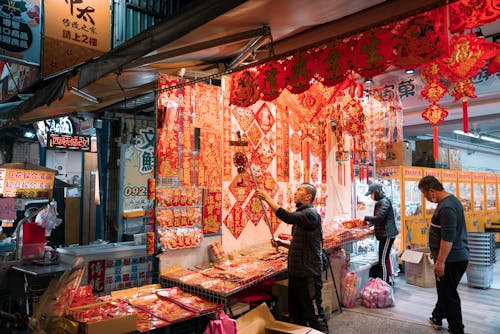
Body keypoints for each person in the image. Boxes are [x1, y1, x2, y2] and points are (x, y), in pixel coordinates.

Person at [255, 183, 329, 334]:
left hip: (308, 273)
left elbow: (287, 217)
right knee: (296, 313)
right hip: (296, 273)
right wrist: (283, 243)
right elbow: (301, 244)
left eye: (300, 190)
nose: (295, 192)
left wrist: (267, 198)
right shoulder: (302, 216)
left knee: (313, 313)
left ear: (308, 197)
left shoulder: (310, 214)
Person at [418, 175, 469, 334]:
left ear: (432, 190)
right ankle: (436, 317)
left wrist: (440, 261)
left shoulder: (446, 207)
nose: (426, 199)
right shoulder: (450, 202)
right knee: (446, 290)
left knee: (448, 295)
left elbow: (448, 238)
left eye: (425, 195)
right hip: (453, 257)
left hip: (451, 260)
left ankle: (456, 329)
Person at [363, 183, 399, 284]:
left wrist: (365, 218)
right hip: (385, 234)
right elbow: (380, 219)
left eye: (371, 194)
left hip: (387, 234)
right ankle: (385, 281)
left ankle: (384, 284)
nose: (371, 197)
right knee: (383, 258)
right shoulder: (383, 201)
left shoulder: (384, 202)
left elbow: (379, 218)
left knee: (382, 260)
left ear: (377, 192)